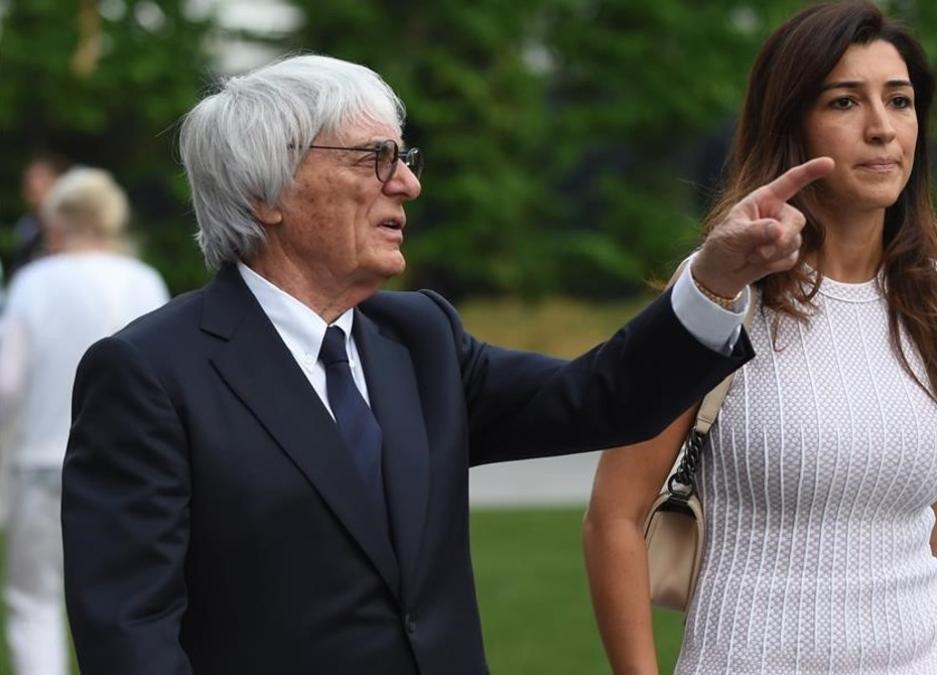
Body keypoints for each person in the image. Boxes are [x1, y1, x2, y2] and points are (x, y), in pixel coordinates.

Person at [60, 54, 835, 675]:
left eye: (404, 157)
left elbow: (601, 397)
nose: (409, 182)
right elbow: (130, 635)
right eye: (376, 158)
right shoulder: (148, 375)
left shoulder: (420, 338)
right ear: (270, 193)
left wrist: (715, 278)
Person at [583, 2, 937, 673]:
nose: (883, 128)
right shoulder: (719, 289)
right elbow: (613, 518)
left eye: (900, 100)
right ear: (791, 124)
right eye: (846, 101)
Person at [0, 167, 169, 675]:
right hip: (136, 467)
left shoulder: (34, 282)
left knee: (35, 603)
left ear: (59, 221)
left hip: (44, 463)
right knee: (135, 603)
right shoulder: (145, 281)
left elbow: (6, 384)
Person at [3, 156, 66, 279]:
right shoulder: (26, 225)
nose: (33, 183)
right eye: (29, 178)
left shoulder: (67, 225)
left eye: (40, 177)